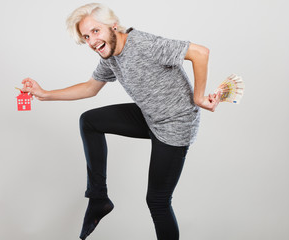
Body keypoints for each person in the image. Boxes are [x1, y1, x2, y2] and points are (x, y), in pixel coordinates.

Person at [21, 3, 221, 240]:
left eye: (96, 31)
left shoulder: (143, 45)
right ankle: (98, 198)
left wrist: (199, 97)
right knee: (90, 121)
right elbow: (89, 88)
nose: (92, 41)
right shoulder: (109, 57)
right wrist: (45, 94)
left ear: (113, 25)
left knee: (157, 201)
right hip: (150, 115)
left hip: (176, 123)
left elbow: (200, 53)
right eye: (86, 36)